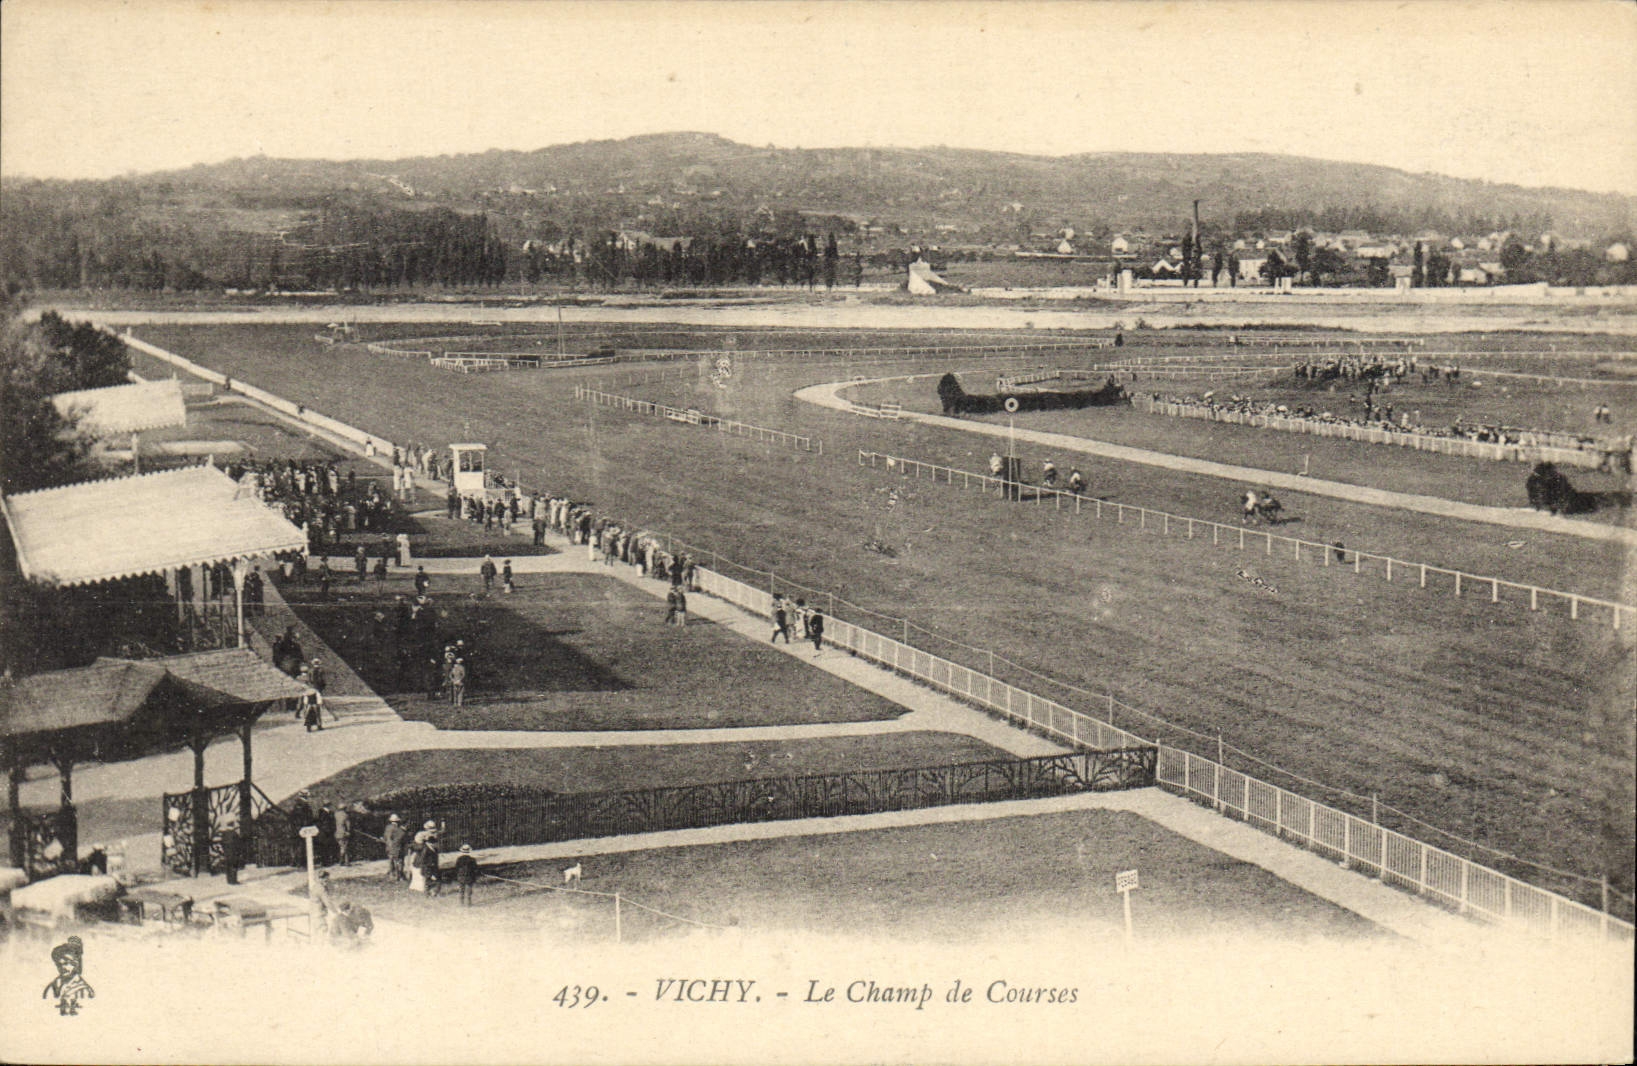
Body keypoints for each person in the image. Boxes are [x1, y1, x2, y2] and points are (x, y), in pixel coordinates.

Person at [384, 813, 408, 882]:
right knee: (399, 862)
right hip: (397, 848)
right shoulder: (400, 829)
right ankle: (398, 876)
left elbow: (387, 838)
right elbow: (402, 838)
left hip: (390, 848)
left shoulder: (388, 828)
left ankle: (393, 876)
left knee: (392, 862)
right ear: (398, 821)